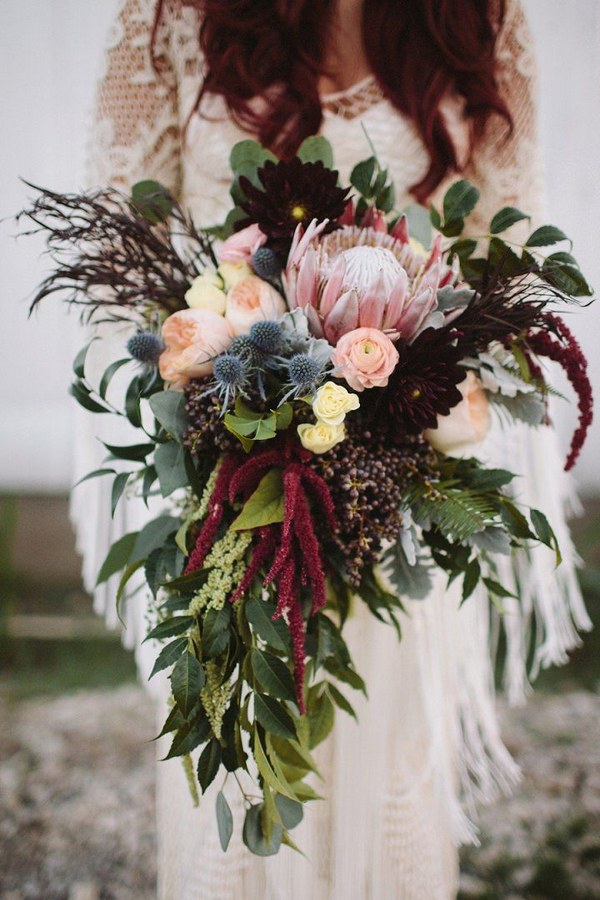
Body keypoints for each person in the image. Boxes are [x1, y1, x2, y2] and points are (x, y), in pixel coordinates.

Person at [77, 0, 590, 896]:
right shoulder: (170, 16)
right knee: (233, 758)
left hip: (394, 491)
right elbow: (116, 237)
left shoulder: (478, 19)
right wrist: (219, 379)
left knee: (385, 765)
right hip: (226, 478)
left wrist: (393, 402)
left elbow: (505, 252)